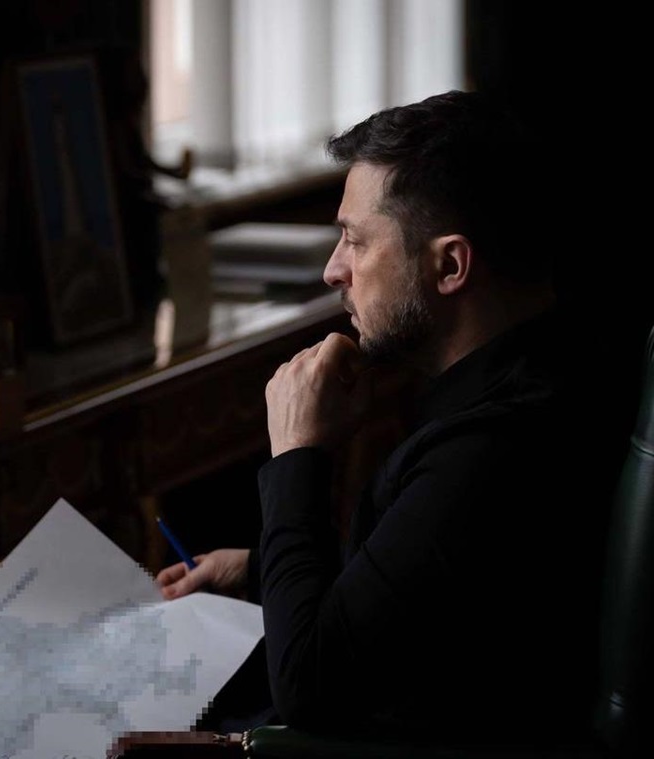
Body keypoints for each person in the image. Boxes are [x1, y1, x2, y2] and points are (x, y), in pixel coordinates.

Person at [156, 91, 608, 742]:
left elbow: (309, 689)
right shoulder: (544, 372)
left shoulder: (490, 450)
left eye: (355, 240)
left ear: (449, 265)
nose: (332, 270)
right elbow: (425, 581)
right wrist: (259, 570)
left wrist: (298, 457)